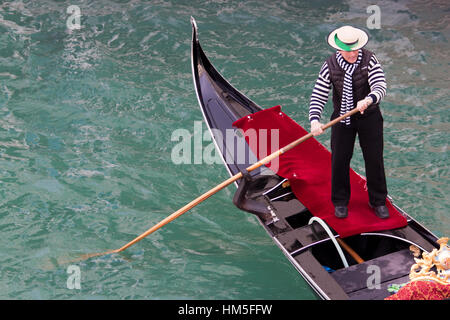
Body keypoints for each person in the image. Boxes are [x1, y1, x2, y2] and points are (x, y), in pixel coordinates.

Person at [308, 25, 389, 219]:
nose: (353, 53)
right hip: (341, 119)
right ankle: (340, 201)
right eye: (348, 50)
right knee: (339, 160)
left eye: (355, 49)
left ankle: (378, 201)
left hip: (369, 118)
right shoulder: (329, 65)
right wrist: (314, 120)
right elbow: (319, 94)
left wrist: (369, 99)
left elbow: (380, 85)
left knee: (374, 160)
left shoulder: (370, 60)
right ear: (339, 48)